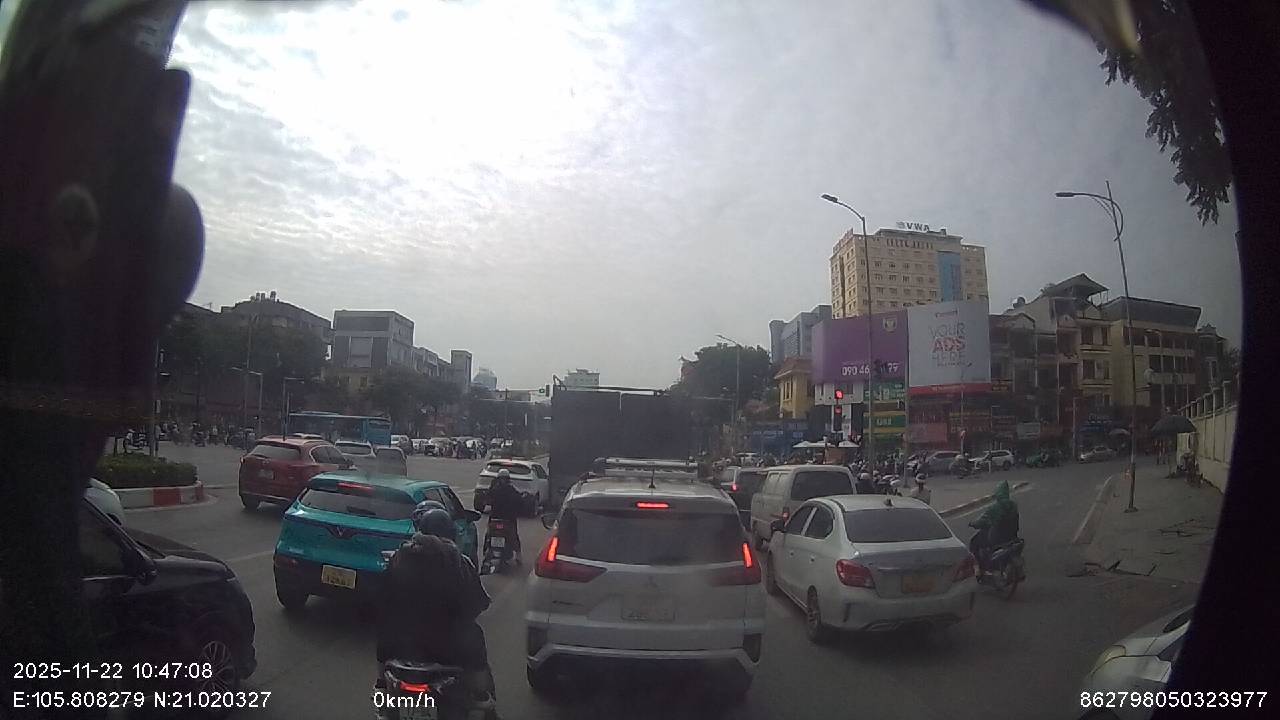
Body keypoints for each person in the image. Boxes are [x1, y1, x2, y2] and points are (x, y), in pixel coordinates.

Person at [376, 500, 497, 718]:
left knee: (385, 631)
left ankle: (381, 685)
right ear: (451, 532)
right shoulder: (461, 562)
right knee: (475, 635)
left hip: (403, 643)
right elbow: (476, 604)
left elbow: (383, 597)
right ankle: (482, 695)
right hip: (448, 646)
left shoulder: (399, 557)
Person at [968, 479, 1019, 574]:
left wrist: (973, 523)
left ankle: (979, 569)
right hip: (1011, 536)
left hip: (997, 537)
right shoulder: (1013, 505)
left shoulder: (995, 508)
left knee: (974, 543)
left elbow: (982, 521)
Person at [487, 469, 524, 559]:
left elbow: (487, 499)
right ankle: (518, 554)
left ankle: (518, 554)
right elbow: (520, 500)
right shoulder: (509, 489)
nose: (503, 481)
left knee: (513, 535)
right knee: (490, 534)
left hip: (500, 518)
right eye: (502, 479)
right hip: (504, 518)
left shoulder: (496, 489)